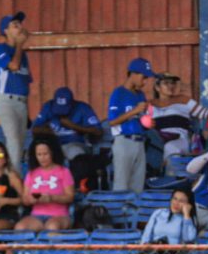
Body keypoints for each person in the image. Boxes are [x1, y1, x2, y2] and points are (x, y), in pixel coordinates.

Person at [0, 12, 33, 173]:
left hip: (21, 103)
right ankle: (14, 181)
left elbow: (25, 83)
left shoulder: (23, 55)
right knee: (13, 141)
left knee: (19, 145)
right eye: (15, 25)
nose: (20, 27)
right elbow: (13, 66)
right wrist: (20, 45)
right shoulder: (0, 48)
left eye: (20, 24)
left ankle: (10, 176)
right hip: (6, 102)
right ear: (6, 31)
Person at [107, 58, 156, 192]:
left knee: (137, 186)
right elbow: (112, 121)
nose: (145, 81)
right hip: (124, 141)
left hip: (140, 141)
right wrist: (134, 111)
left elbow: (140, 119)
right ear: (133, 74)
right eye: (143, 77)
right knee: (121, 185)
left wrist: (147, 124)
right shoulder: (119, 93)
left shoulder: (140, 95)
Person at [31, 86, 103, 163]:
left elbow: (98, 131)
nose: (61, 113)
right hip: (52, 145)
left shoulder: (82, 108)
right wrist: (48, 131)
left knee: (77, 154)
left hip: (74, 144)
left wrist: (74, 126)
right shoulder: (48, 106)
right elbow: (35, 129)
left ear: (72, 103)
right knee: (39, 154)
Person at [16, 139, 75, 232]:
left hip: (59, 215)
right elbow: (25, 199)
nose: (42, 158)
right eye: (39, 155)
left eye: (45, 154)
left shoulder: (63, 171)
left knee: (52, 227)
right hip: (36, 215)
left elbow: (70, 197)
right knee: (20, 227)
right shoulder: (31, 173)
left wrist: (51, 198)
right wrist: (30, 200)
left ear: (52, 153)